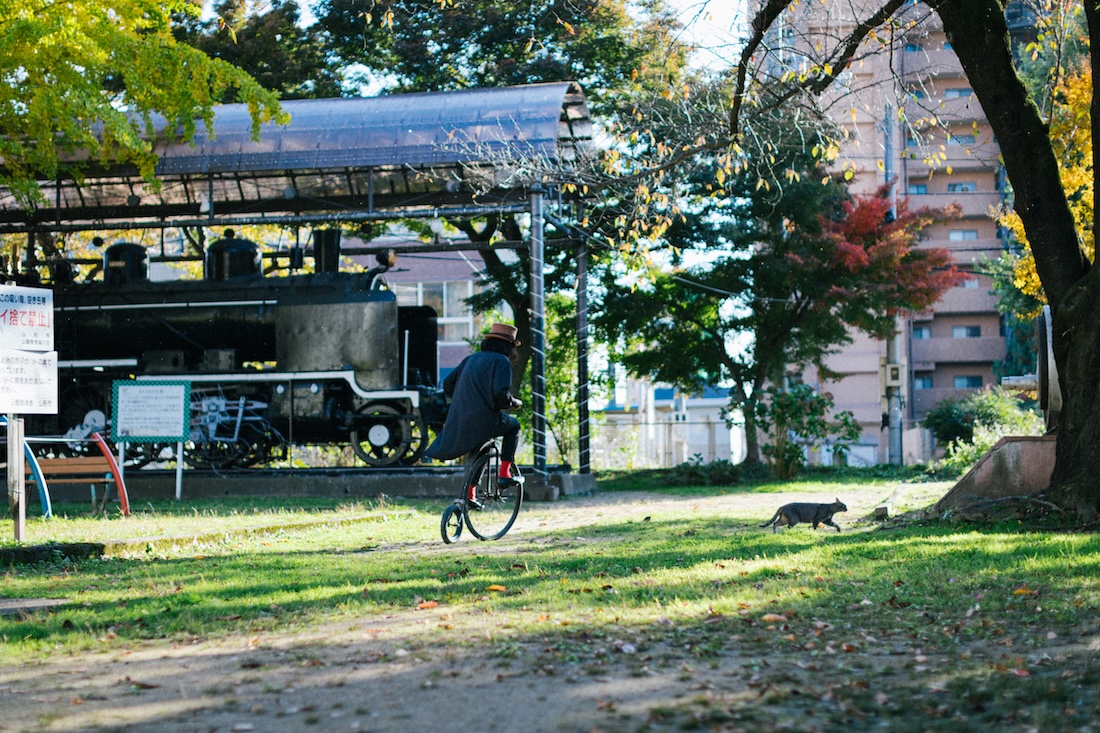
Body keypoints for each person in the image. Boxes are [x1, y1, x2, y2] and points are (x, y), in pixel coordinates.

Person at [424, 323, 523, 506]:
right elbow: (501, 394)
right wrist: (514, 403)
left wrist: (468, 398)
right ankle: (505, 473)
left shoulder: (471, 360)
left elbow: (447, 385)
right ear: (508, 346)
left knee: (482, 448)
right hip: (485, 420)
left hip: (461, 418)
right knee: (514, 426)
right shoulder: (502, 362)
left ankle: (469, 495)